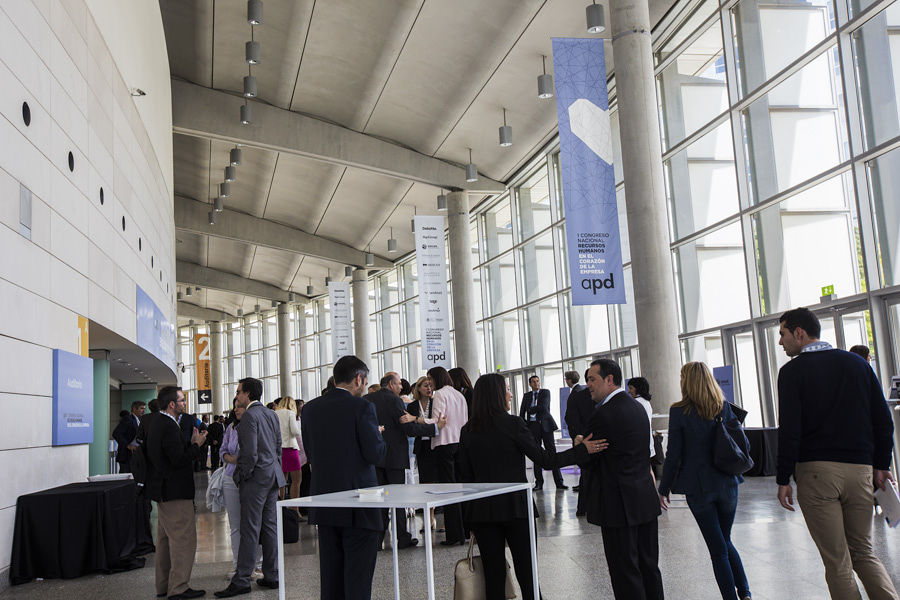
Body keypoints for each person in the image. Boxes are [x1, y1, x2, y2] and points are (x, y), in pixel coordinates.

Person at [775, 307, 897, 599]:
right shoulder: (857, 364)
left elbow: (790, 430)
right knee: (864, 552)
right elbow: (883, 420)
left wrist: (782, 479)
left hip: (818, 475)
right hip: (861, 472)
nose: (781, 342)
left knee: (837, 562)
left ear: (799, 333)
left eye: (782, 334)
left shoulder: (792, 373)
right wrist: (881, 465)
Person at [458, 373, 606, 600]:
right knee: (528, 574)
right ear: (497, 394)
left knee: (493, 575)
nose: (510, 393)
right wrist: (581, 451)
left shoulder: (467, 431)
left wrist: (468, 520)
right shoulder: (513, 424)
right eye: (507, 388)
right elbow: (545, 459)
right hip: (516, 508)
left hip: (482, 512)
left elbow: (464, 479)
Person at [657, 362, 751, 600]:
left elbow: (674, 455)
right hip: (728, 483)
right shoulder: (723, 407)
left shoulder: (680, 411)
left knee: (717, 549)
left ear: (686, 381)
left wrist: (664, 488)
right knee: (725, 541)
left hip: (699, 488)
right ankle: (746, 594)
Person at [301, 355, 386, 600]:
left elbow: (311, 451)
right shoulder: (362, 407)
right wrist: (380, 439)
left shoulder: (310, 409)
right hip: (361, 503)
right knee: (358, 579)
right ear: (358, 379)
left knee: (331, 579)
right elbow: (375, 454)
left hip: (325, 502)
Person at [578, 358, 663, 600]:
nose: (588, 385)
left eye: (592, 379)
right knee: (649, 567)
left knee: (625, 571)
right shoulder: (637, 407)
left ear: (610, 380)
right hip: (644, 500)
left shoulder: (604, 414)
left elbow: (589, 459)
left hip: (618, 505)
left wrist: (580, 447)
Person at [215, 377, 285, 597]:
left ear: (248, 394)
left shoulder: (248, 417)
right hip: (272, 476)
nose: (237, 396)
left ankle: (242, 579)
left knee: (249, 529)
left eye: (239, 392)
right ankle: (272, 575)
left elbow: (249, 454)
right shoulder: (270, 414)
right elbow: (277, 447)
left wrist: (241, 477)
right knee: (270, 528)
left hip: (255, 479)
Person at [365, 372, 446, 549]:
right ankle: (402, 537)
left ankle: (377, 540)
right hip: (394, 457)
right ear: (391, 384)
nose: (402, 387)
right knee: (397, 499)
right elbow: (408, 427)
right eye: (399, 384)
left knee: (378, 500)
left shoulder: (367, 399)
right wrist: (435, 429)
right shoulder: (394, 401)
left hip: (375, 457)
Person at [145, 386, 208, 600]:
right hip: (175, 492)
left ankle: (163, 586)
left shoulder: (156, 422)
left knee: (164, 540)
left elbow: (170, 454)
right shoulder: (169, 426)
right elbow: (178, 460)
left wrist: (188, 444)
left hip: (163, 491)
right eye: (181, 400)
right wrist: (197, 445)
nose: (184, 403)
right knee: (183, 539)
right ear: (172, 404)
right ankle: (179, 587)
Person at [219, 401, 262, 581]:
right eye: (235, 406)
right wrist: (233, 459)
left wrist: (241, 459)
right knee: (235, 525)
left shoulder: (256, 425)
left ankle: (257, 566)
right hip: (231, 478)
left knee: (253, 523)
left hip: (252, 479)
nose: (236, 409)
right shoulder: (231, 428)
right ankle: (238, 564)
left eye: (240, 406)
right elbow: (222, 451)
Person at [428, 365, 469, 545]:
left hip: (444, 443)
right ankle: (464, 532)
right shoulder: (459, 394)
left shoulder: (439, 395)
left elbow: (437, 421)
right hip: (459, 443)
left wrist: (416, 419)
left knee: (449, 490)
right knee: (459, 489)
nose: (428, 382)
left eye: (429, 378)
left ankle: (453, 535)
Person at [520, 375, 566, 490]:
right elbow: (522, 412)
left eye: (537, 381)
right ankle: (539, 483)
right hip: (533, 427)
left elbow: (543, 407)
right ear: (530, 384)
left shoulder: (545, 392)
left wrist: (531, 410)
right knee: (536, 454)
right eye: (534, 382)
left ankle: (559, 482)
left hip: (545, 425)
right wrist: (526, 425)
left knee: (552, 452)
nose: (536, 384)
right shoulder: (526, 396)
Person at [407, 375, 439, 530]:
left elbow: (439, 423)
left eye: (430, 386)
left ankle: (440, 517)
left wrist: (421, 423)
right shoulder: (412, 406)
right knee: (426, 482)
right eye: (425, 385)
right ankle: (429, 517)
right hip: (422, 446)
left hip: (437, 444)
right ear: (418, 388)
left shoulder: (436, 402)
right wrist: (431, 426)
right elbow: (412, 429)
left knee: (439, 482)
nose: (429, 388)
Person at [565, 369, 595, 510]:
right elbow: (570, 418)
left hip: (583, 439)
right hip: (586, 440)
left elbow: (569, 418)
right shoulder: (580, 395)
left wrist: (577, 436)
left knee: (586, 474)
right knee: (587, 474)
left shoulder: (576, 395)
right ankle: (584, 507)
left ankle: (583, 507)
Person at [275, 396, 303, 508]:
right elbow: (295, 431)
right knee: (296, 481)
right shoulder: (290, 413)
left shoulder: (274, 413)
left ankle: (280, 508)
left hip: (278, 450)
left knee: (281, 481)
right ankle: (294, 509)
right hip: (290, 449)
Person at [627, 377, 657, 462]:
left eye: (631, 388)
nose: (629, 391)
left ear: (638, 388)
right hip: (647, 444)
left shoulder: (635, 403)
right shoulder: (646, 402)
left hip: (639, 446)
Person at [113, 401, 145, 473]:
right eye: (141, 408)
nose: (143, 411)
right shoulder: (128, 419)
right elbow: (116, 433)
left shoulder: (140, 421)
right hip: (127, 456)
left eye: (144, 409)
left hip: (136, 455)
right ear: (134, 409)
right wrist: (127, 445)